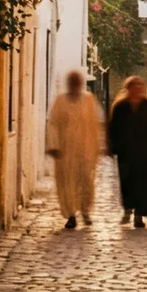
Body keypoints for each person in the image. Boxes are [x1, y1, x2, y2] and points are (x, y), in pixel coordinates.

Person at [106, 75, 147, 228]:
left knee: (144, 184)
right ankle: (128, 209)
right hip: (126, 153)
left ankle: (139, 215)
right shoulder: (120, 107)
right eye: (135, 88)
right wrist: (112, 147)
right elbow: (113, 129)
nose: (138, 91)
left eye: (141, 88)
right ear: (128, 90)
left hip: (144, 153)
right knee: (127, 182)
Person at [45, 70, 102, 229]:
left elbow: (94, 125)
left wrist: (97, 148)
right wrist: (53, 145)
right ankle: (70, 215)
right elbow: (53, 124)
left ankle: (85, 211)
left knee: (86, 182)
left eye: (77, 82)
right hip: (65, 150)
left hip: (85, 148)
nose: (75, 85)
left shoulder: (89, 100)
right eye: (72, 81)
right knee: (66, 184)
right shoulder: (60, 101)